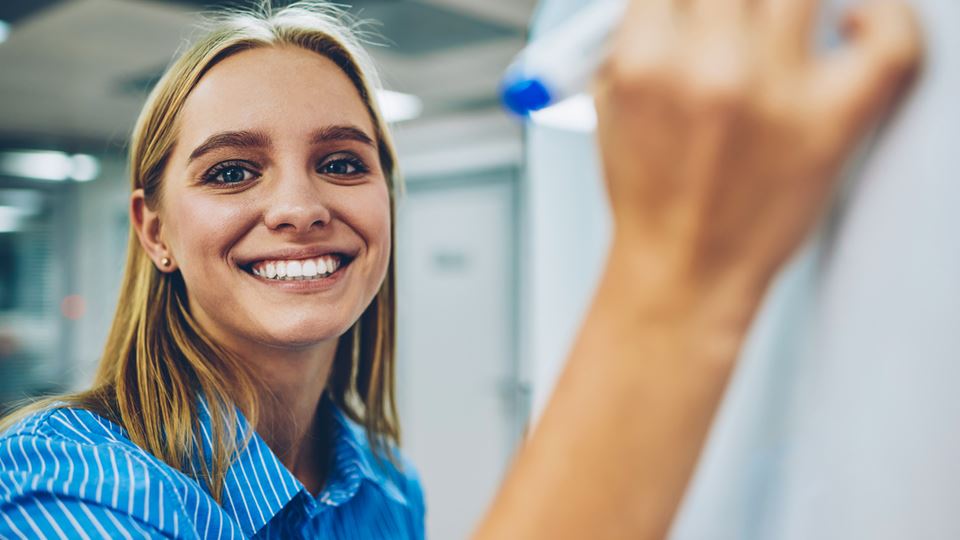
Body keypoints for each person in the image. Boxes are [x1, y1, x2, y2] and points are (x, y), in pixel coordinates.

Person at [0, 0, 920, 538]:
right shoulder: (67, 482)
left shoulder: (385, 487)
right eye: (233, 171)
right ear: (153, 231)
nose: (298, 206)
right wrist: (681, 273)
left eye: (343, 162)